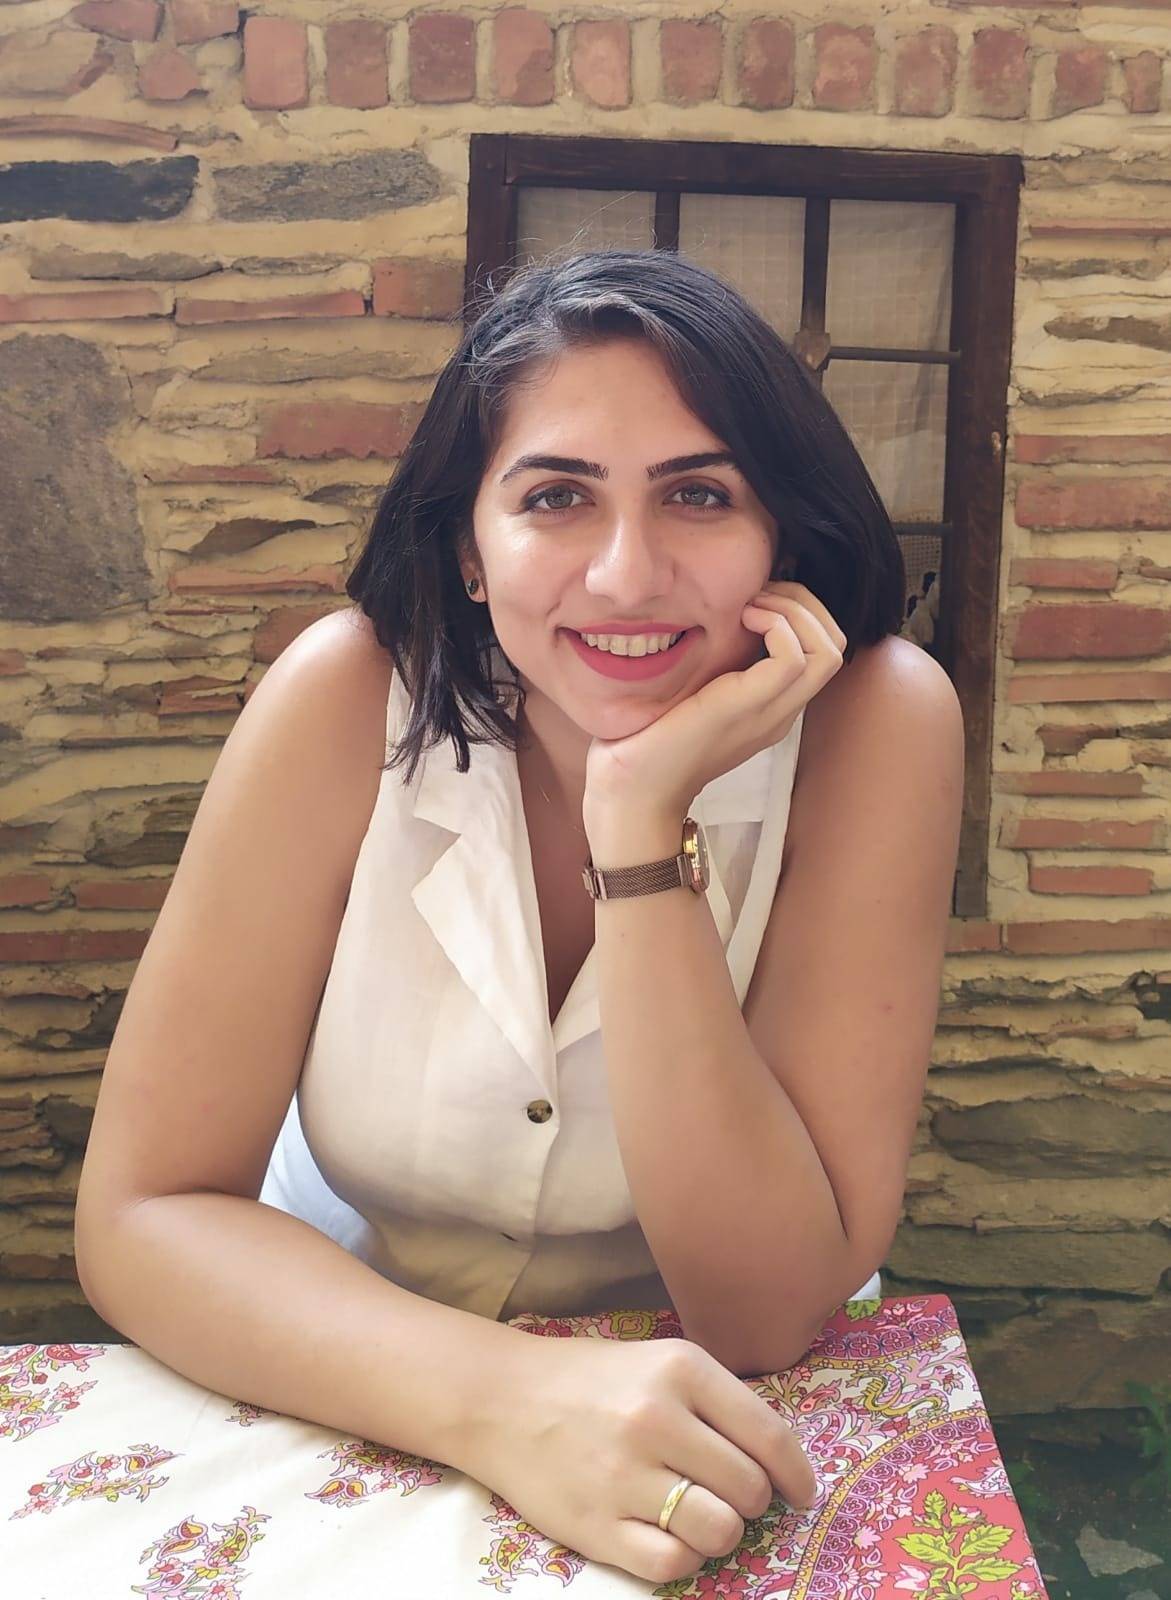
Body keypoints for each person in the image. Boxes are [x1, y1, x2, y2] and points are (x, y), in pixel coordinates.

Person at [74, 248, 964, 1586]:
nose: (626, 575)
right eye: (557, 497)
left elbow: (765, 1308)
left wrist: (640, 829)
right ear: (470, 552)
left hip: (717, 1415)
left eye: (699, 494)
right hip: (353, 1369)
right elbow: (144, 1212)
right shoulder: (343, 698)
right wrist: (504, 1401)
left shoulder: (877, 725)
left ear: (780, 537)